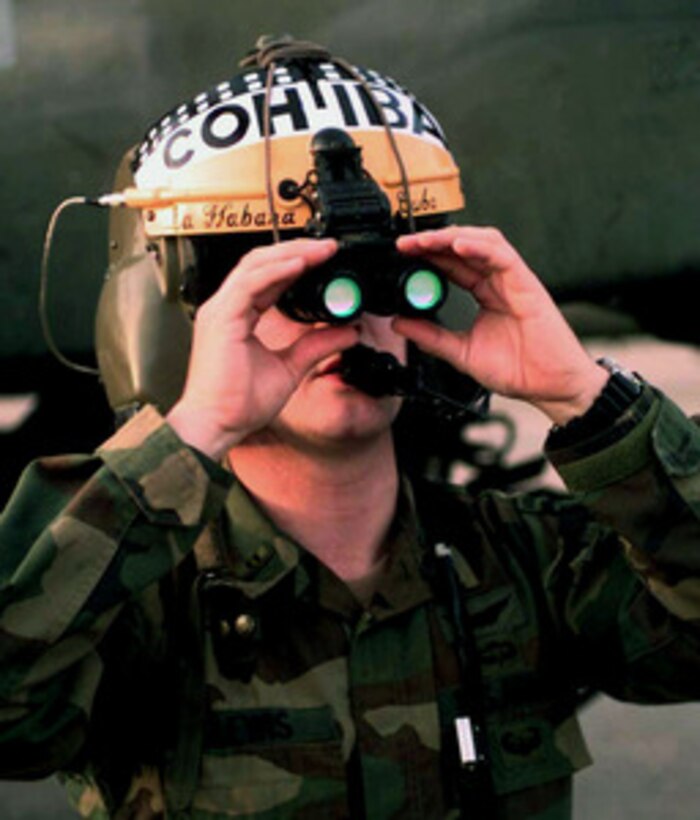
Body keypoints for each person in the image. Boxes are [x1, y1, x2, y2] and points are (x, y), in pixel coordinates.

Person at [2, 35, 700, 820]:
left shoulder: (524, 565)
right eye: (290, 283)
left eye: (378, 276)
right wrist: (195, 427)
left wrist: (586, 397)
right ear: (186, 321)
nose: (352, 318)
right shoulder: (136, 601)